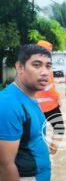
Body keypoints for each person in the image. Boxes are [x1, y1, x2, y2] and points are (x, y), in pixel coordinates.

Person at [0, 44, 52, 181]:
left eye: (48, 66)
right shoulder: (7, 103)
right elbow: (5, 165)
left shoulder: (30, 95)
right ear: (20, 67)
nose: (45, 72)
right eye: (37, 65)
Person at [35, 40, 64, 154]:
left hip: (35, 105)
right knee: (59, 128)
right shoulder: (45, 67)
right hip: (49, 105)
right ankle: (51, 155)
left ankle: (41, 155)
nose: (50, 54)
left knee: (39, 133)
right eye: (48, 51)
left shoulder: (30, 65)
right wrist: (58, 98)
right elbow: (48, 87)